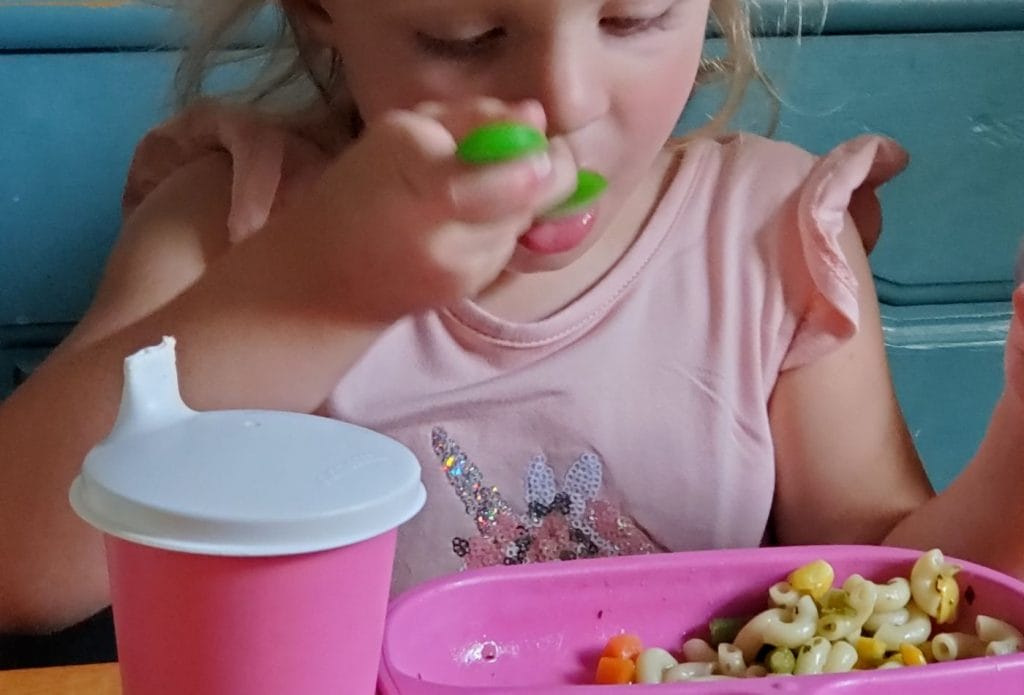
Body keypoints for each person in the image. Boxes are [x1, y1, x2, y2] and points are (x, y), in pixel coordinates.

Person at [1, 0, 1022, 634]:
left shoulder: (770, 239)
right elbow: (19, 571)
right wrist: (312, 289)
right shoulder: (236, 228)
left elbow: (913, 593)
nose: (563, 98)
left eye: (632, 17)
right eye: (466, 35)